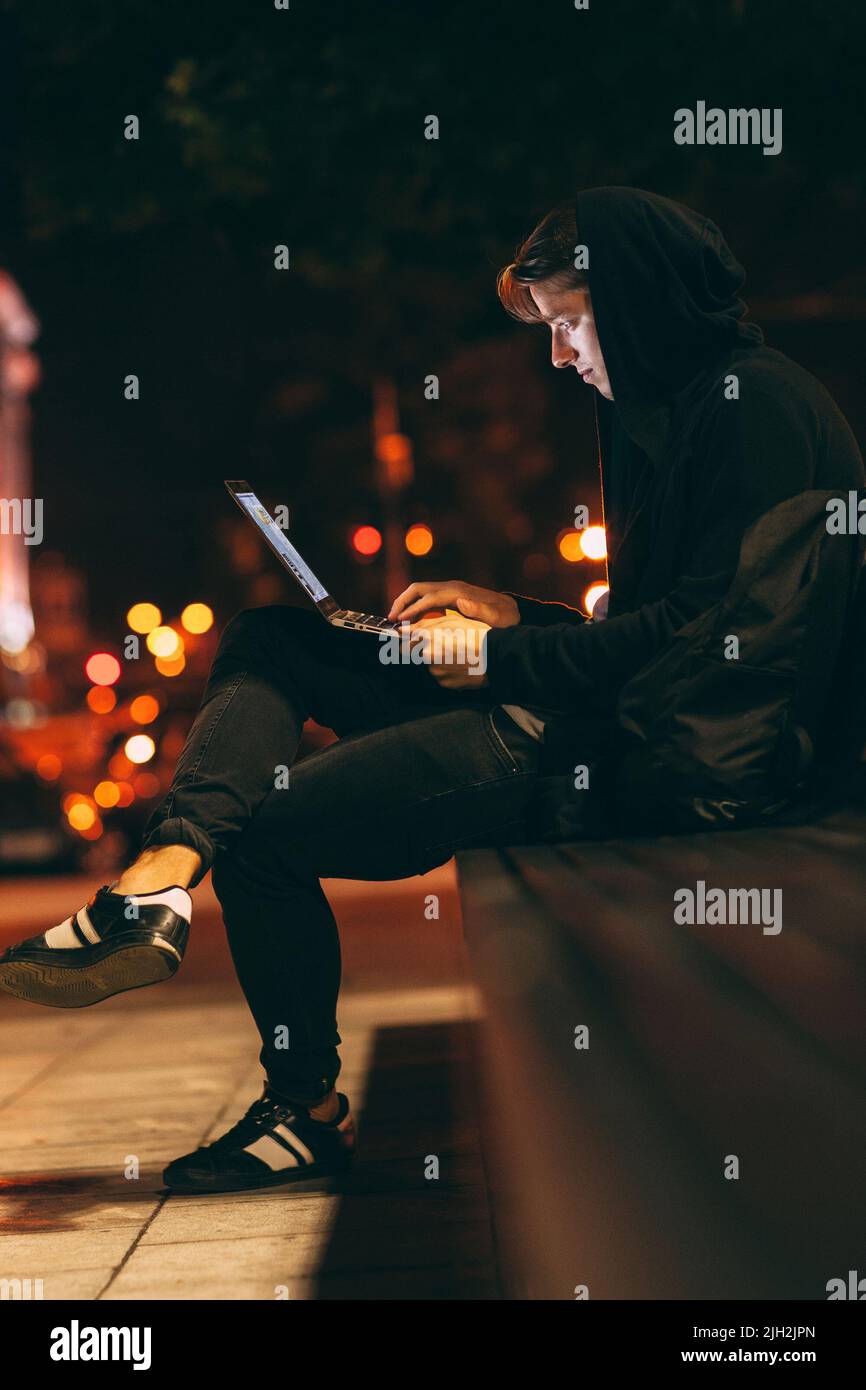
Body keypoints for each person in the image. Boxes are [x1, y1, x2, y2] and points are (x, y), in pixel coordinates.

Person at [1, 187, 863, 1195]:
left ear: (637, 300)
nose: (558, 356)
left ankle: (301, 1109)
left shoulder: (748, 407)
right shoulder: (661, 408)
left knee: (268, 836)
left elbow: (697, 644)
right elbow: (654, 628)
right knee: (277, 639)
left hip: (647, 770)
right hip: (600, 716)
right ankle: (158, 875)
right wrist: (512, 613)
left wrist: (499, 661)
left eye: (568, 323)